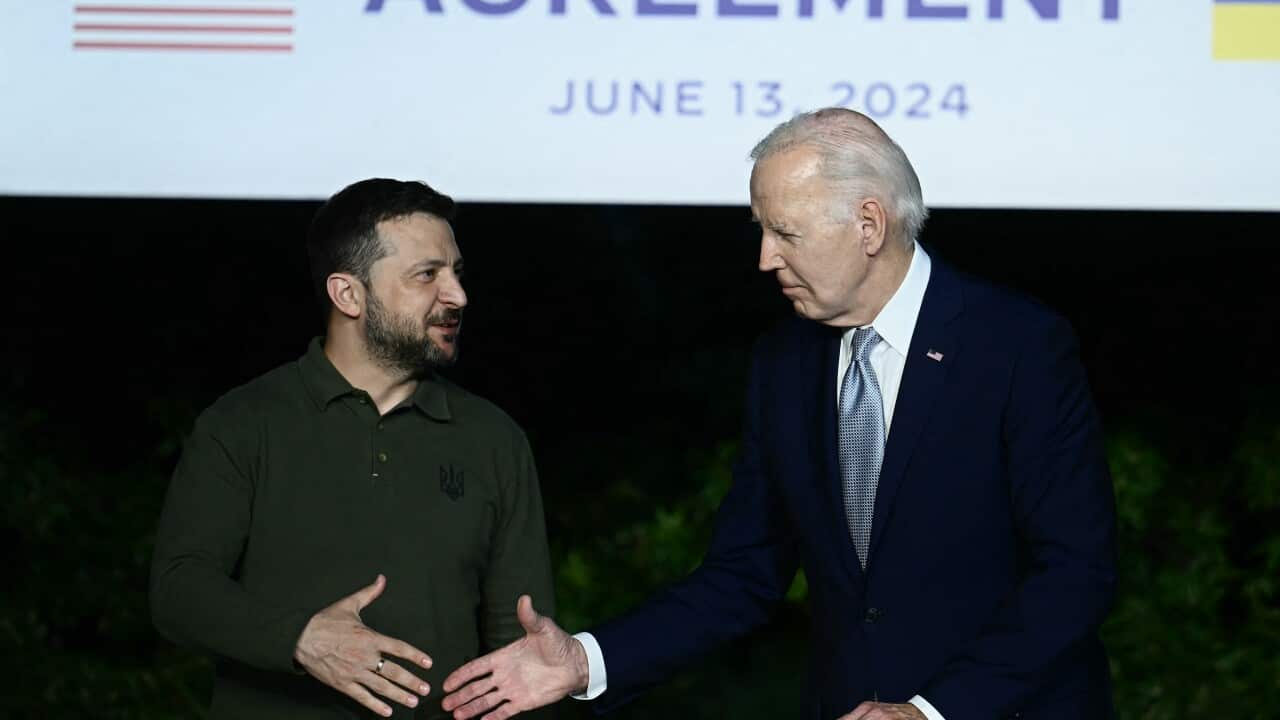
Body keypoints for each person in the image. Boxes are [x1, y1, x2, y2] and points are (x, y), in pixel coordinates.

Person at [438, 109, 1117, 720]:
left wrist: (930, 712)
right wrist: (588, 660)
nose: (765, 259)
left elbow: (1075, 573)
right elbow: (745, 573)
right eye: (761, 230)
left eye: (785, 233)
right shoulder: (784, 362)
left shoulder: (1018, 346)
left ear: (870, 225)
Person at [150, 178, 556, 719]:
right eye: (427, 275)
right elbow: (179, 592)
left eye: (456, 272)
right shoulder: (244, 423)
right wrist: (303, 638)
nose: (457, 295)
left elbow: (518, 651)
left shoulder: (494, 439)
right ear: (348, 294)